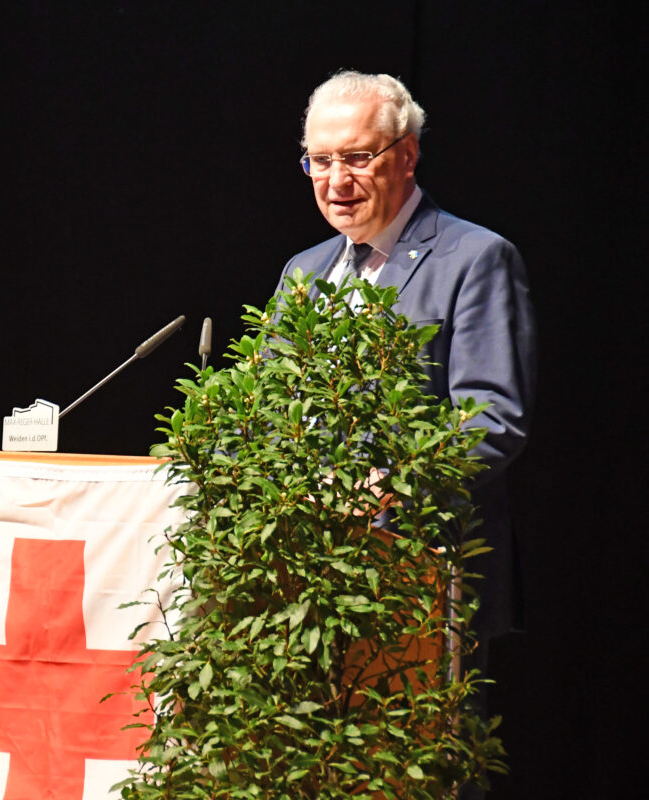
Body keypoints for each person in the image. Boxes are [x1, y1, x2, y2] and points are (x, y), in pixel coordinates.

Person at [278, 71, 535, 796]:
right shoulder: (303, 275)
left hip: (422, 576)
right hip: (305, 580)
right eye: (319, 161)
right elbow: (268, 412)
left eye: (357, 157)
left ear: (408, 154)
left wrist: (387, 486)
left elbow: (491, 415)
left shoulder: (475, 260)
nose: (336, 180)